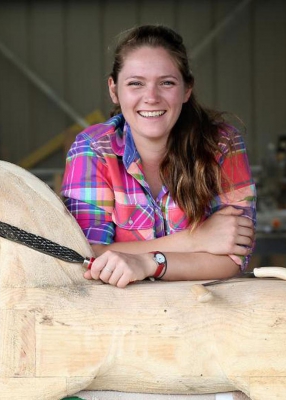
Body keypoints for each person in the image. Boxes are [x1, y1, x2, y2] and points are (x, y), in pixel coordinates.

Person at [61, 24, 256, 288]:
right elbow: (82, 256)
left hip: (203, 313)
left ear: (187, 89)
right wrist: (195, 240)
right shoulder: (94, 149)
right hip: (119, 315)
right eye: (135, 84)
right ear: (114, 89)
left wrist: (150, 262)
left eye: (166, 83)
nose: (151, 97)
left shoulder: (222, 144)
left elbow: (233, 257)